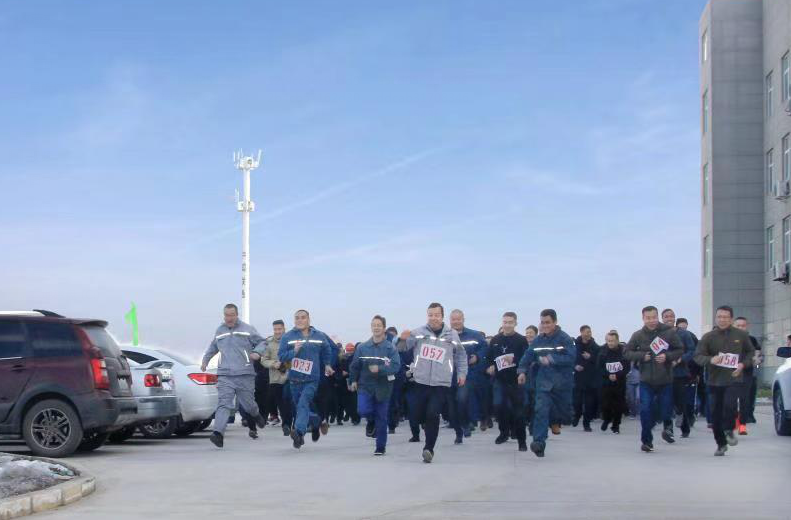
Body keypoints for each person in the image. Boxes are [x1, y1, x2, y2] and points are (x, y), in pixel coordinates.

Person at [397, 302, 468, 463]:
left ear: (442, 316)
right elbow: (402, 348)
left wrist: (462, 373)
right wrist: (402, 339)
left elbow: (461, 355)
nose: (433, 318)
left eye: (436, 315)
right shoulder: (418, 333)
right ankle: (426, 427)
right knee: (417, 415)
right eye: (430, 315)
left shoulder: (451, 335)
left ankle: (428, 448)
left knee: (433, 414)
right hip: (420, 381)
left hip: (441, 383)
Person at [201, 303, 268, 448]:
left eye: (232, 315)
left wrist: (257, 352)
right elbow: (213, 347)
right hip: (225, 374)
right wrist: (205, 361)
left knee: (249, 405)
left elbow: (263, 342)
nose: (229, 318)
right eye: (226, 315)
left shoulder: (247, 329)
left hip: (245, 374)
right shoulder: (220, 330)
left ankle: (256, 414)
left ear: (237, 315)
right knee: (224, 403)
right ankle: (218, 433)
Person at [695, 306, 755, 456]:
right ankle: (721, 444)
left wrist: (743, 364)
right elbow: (698, 356)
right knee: (715, 415)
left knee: (730, 405)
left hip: (734, 378)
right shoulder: (708, 337)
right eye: (719, 317)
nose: (722, 320)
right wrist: (711, 359)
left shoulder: (740, 335)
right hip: (714, 380)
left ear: (731, 319)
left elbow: (750, 352)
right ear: (716, 318)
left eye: (725, 317)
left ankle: (729, 429)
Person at [623, 306, 684, 453]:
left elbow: (680, 349)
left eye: (654, 317)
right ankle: (647, 441)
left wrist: (667, 356)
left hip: (665, 379)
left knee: (665, 410)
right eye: (648, 318)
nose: (651, 321)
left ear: (658, 317)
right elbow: (626, 352)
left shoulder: (668, 332)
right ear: (643, 318)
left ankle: (667, 426)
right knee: (645, 410)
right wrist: (641, 356)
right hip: (646, 380)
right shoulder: (638, 335)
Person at [517, 309, 576, 458]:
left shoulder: (565, 339)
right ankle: (539, 443)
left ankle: (558, 420)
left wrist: (552, 359)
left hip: (562, 384)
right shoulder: (538, 340)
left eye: (548, 322)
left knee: (564, 413)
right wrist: (522, 371)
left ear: (555, 322)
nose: (545, 325)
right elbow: (528, 356)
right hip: (544, 382)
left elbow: (571, 358)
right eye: (542, 323)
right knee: (540, 410)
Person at [278, 310, 336, 449]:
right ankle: (317, 420)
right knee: (300, 408)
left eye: (303, 318)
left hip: (311, 379)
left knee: (303, 404)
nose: (300, 320)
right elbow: (281, 356)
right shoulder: (288, 337)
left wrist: (327, 364)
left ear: (309, 319)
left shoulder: (319, 335)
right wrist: (294, 351)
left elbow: (327, 350)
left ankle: (299, 432)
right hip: (294, 380)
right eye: (297, 318)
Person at [349, 315, 401, 455]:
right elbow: (355, 366)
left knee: (382, 417)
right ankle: (370, 421)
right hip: (365, 385)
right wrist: (353, 380)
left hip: (383, 387)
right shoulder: (362, 347)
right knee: (363, 410)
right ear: (371, 327)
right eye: (374, 325)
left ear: (384, 328)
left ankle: (380, 447)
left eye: (379, 325)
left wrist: (380, 369)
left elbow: (396, 366)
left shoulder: (390, 348)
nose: (376, 327)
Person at [486, 311, 529, 451]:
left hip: (516, 380)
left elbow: (527, 359)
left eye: (510, 322)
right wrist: (490, 366)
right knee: (498, 406)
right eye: (505, 322)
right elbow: (489, 358)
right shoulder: (495, 340)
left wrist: (516, 361)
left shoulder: (521, 340)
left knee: (518, 412)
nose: (507, 325)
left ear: (515, 323)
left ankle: (521, 441)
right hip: (500, 380)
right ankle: (503, 432)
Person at [450, 309, 486, 441]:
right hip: (448, 376)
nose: (456, 322)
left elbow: (484, 348)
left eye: (458, 319)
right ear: (450, 321)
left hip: (467, 374)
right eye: (453, 319)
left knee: (462, 398)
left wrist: (477, 357)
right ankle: (458, 432)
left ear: (463, 319)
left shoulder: (474, 335)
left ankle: (466, 424)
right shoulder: (445, 336)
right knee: (451, 408)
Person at [660, 309, 696, 438]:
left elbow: (692, 351)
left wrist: (680, 359)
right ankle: (668, 429)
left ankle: (684, 427)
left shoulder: (684, 334)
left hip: (680, 373)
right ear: (662, 319)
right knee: (666, 402)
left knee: (680, 402)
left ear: (674, 318)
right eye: (666, 316)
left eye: (671, 316)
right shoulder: (659, 334)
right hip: (663, 374)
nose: (669, 318)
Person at [259, 319, 292, 436]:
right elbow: (263, 360)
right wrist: (274, 364)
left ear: (284, 329)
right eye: (275, 329)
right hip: (275, 379)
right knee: (280, 402)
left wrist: (286, 365)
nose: (277, 331)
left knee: (287, 403)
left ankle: (287, 425)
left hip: (289, 377)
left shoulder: (290, 341)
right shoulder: (269, 343)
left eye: (279, 329)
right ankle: (285, 424)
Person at [733, 316, 763, 433]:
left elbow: (758, 355)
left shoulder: (752, 340)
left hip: (746, 373)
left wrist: (757, 360)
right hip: (730, 373)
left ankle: (742, 425)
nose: (741, 328)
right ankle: (733, 421)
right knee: (730, 400)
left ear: (747, 326)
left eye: (743, 325)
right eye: (738, 325)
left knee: (745, 400)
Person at [598, 331, 629, 434]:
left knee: (618, 405)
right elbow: (599, 367)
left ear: (617, 341)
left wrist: (617, 375)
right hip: (606, 382)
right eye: (608, 341)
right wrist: (608, 375)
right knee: (605, 404)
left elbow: (627, 367)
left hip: (619, 383)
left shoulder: (623, 351)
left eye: (612, 341)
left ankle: (616, 425)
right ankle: (607, 419)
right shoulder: (602, 351)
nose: (610, 343)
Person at [573, 325, 600, 432]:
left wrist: (591, 357)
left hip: (590, 378)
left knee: (589, 403)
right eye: (586, 332)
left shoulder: (595, 346)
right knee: (577, 401)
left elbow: (599, 361)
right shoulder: (575, 345)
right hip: (578, 378)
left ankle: (586, 424)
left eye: (590, 332)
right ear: (581, 332)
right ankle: (577, 415)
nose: (588, 334)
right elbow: (570, 359)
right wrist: (575, 366)